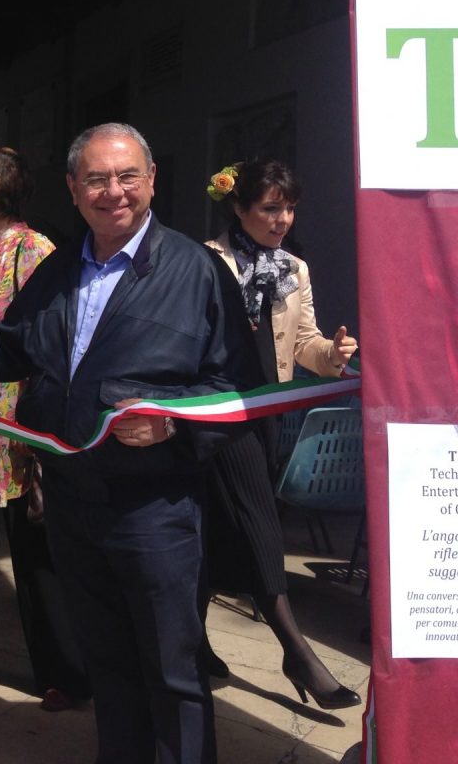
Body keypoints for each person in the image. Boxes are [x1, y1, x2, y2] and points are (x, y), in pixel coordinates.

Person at [0, 122, 260, 764]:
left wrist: (174, 423)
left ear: (152, 180)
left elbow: (239, 387)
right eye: (96, 179)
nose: (113, 192)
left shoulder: (197, 271)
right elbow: (9, 349)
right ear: (73, 189)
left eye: (127, 176)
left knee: (172, 670)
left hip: (155, 509)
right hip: (74, 503)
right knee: (108, 663)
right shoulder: (58, 270)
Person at [200, 159, 360, 709]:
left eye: (289, 208)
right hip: (220, 416)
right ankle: (296, 649)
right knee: (261, 525)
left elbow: (305, 342)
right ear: (238, 207)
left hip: (267, 416)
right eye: (270, 208)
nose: (282, 219)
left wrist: (333, 355)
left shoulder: (295, 268)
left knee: (219, 529)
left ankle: (191, 640)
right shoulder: (206, 261)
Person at [0, 147, 89, 711]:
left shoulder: (32, 251)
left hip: (21, 429)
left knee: (36, 553)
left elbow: (48, 337)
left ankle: (63, 672)